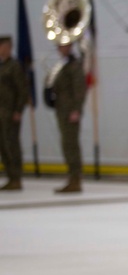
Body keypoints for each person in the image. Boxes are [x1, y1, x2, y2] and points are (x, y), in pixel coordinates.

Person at [45, 39, 86, 193]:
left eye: (62, 45)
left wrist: (76, 110)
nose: (60, 48)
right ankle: (72, 177)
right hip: (62, 110)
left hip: (70, 111)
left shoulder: (74, 65)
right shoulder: (61, 65)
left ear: (69, 46)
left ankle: (75, 179)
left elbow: (79, 89)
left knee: (71, 145)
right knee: (66, 144)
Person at [0, 34, 29, 190]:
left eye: (3, 47)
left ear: (9, 48)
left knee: (12, 144)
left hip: (10, 112)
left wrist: (18, 110)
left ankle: (16, 177)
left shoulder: (14, 66)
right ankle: (10, 176)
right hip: (1, 113)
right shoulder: (2, 66)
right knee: (3, 146)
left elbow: (22, 90)